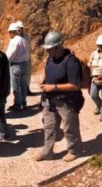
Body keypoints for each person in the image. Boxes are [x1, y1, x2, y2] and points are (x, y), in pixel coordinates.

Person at [35, 31, 83, 162]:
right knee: (49, 127)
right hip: (50, 101)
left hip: (66, 101)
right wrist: (43, 77)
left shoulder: (71, 61)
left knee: (69, 128)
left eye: (50, 49)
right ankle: (47, 152)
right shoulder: (50, 58)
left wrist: (54, 87)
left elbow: (75, 85)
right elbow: (48, 70)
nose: (47, 52)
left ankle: (74, 150)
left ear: (58, 47)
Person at [6, 22, 31, 111]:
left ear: (12, 32)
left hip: (16, 65)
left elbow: (10, 55)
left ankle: (18, 104)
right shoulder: (24, 40)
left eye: (9, 32)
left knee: (16, 86)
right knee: (23, 85)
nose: (9, 34)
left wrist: (5, 63)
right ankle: (24, 103)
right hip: (25, 64)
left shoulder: (14, 41)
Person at [16, 20, 34, 96]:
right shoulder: (15, 38)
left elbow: (29, 47)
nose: (20, 29)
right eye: (19, 28)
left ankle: (27, 89)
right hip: (19, 59)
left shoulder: (27, 36)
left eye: (21, 28)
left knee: (28, 74)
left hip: (27, 58)